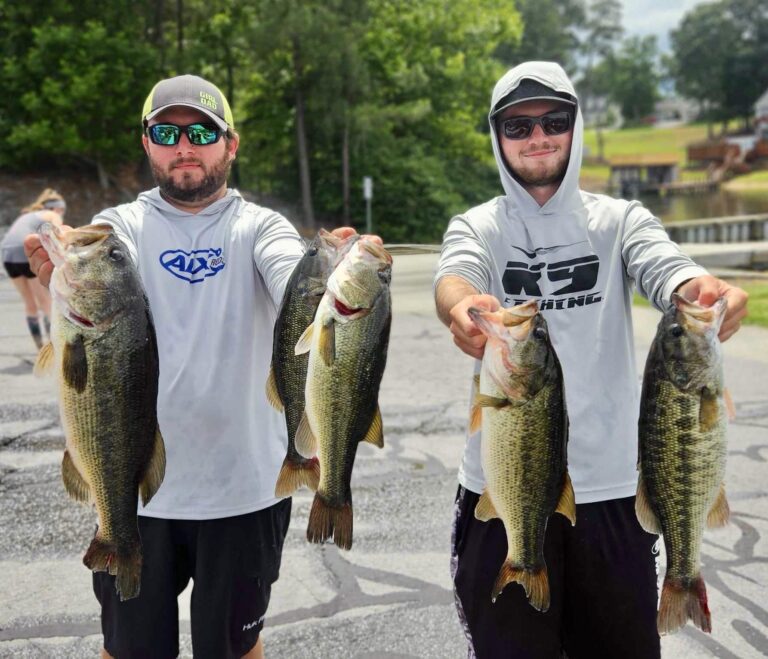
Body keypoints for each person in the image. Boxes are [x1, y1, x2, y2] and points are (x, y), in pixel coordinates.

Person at [25, 74, 366, 659]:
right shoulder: (119, 227)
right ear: (147, 144)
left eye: (202, 131)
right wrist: (61, 265)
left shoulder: (261, 227)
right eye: (167, 131)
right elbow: (101, 265)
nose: (185, 145)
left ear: (230, 144)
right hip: (133, 487)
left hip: (246, 488)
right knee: (128, 649)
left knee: (236, 648)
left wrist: (329, 282)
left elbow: (290, 273)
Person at [434, 61, 748, 658]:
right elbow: (455, 277)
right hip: (502, 491)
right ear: (497, 138)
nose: (538, 137)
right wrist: (462, 306)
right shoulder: (478, 224)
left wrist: (700, 291)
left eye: (553, 120)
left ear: (575, 126)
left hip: (612, 496)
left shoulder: (620, 219)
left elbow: (667, 269)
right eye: (518, 126)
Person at [2, 188, 66, 349]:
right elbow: (59, 237)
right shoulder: (53, 215)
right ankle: (55, 347)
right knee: (46, 302)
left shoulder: (28, 215)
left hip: (7, 255)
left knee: (29, 303)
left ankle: (39, 347)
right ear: (58, 208)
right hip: (23, 252)